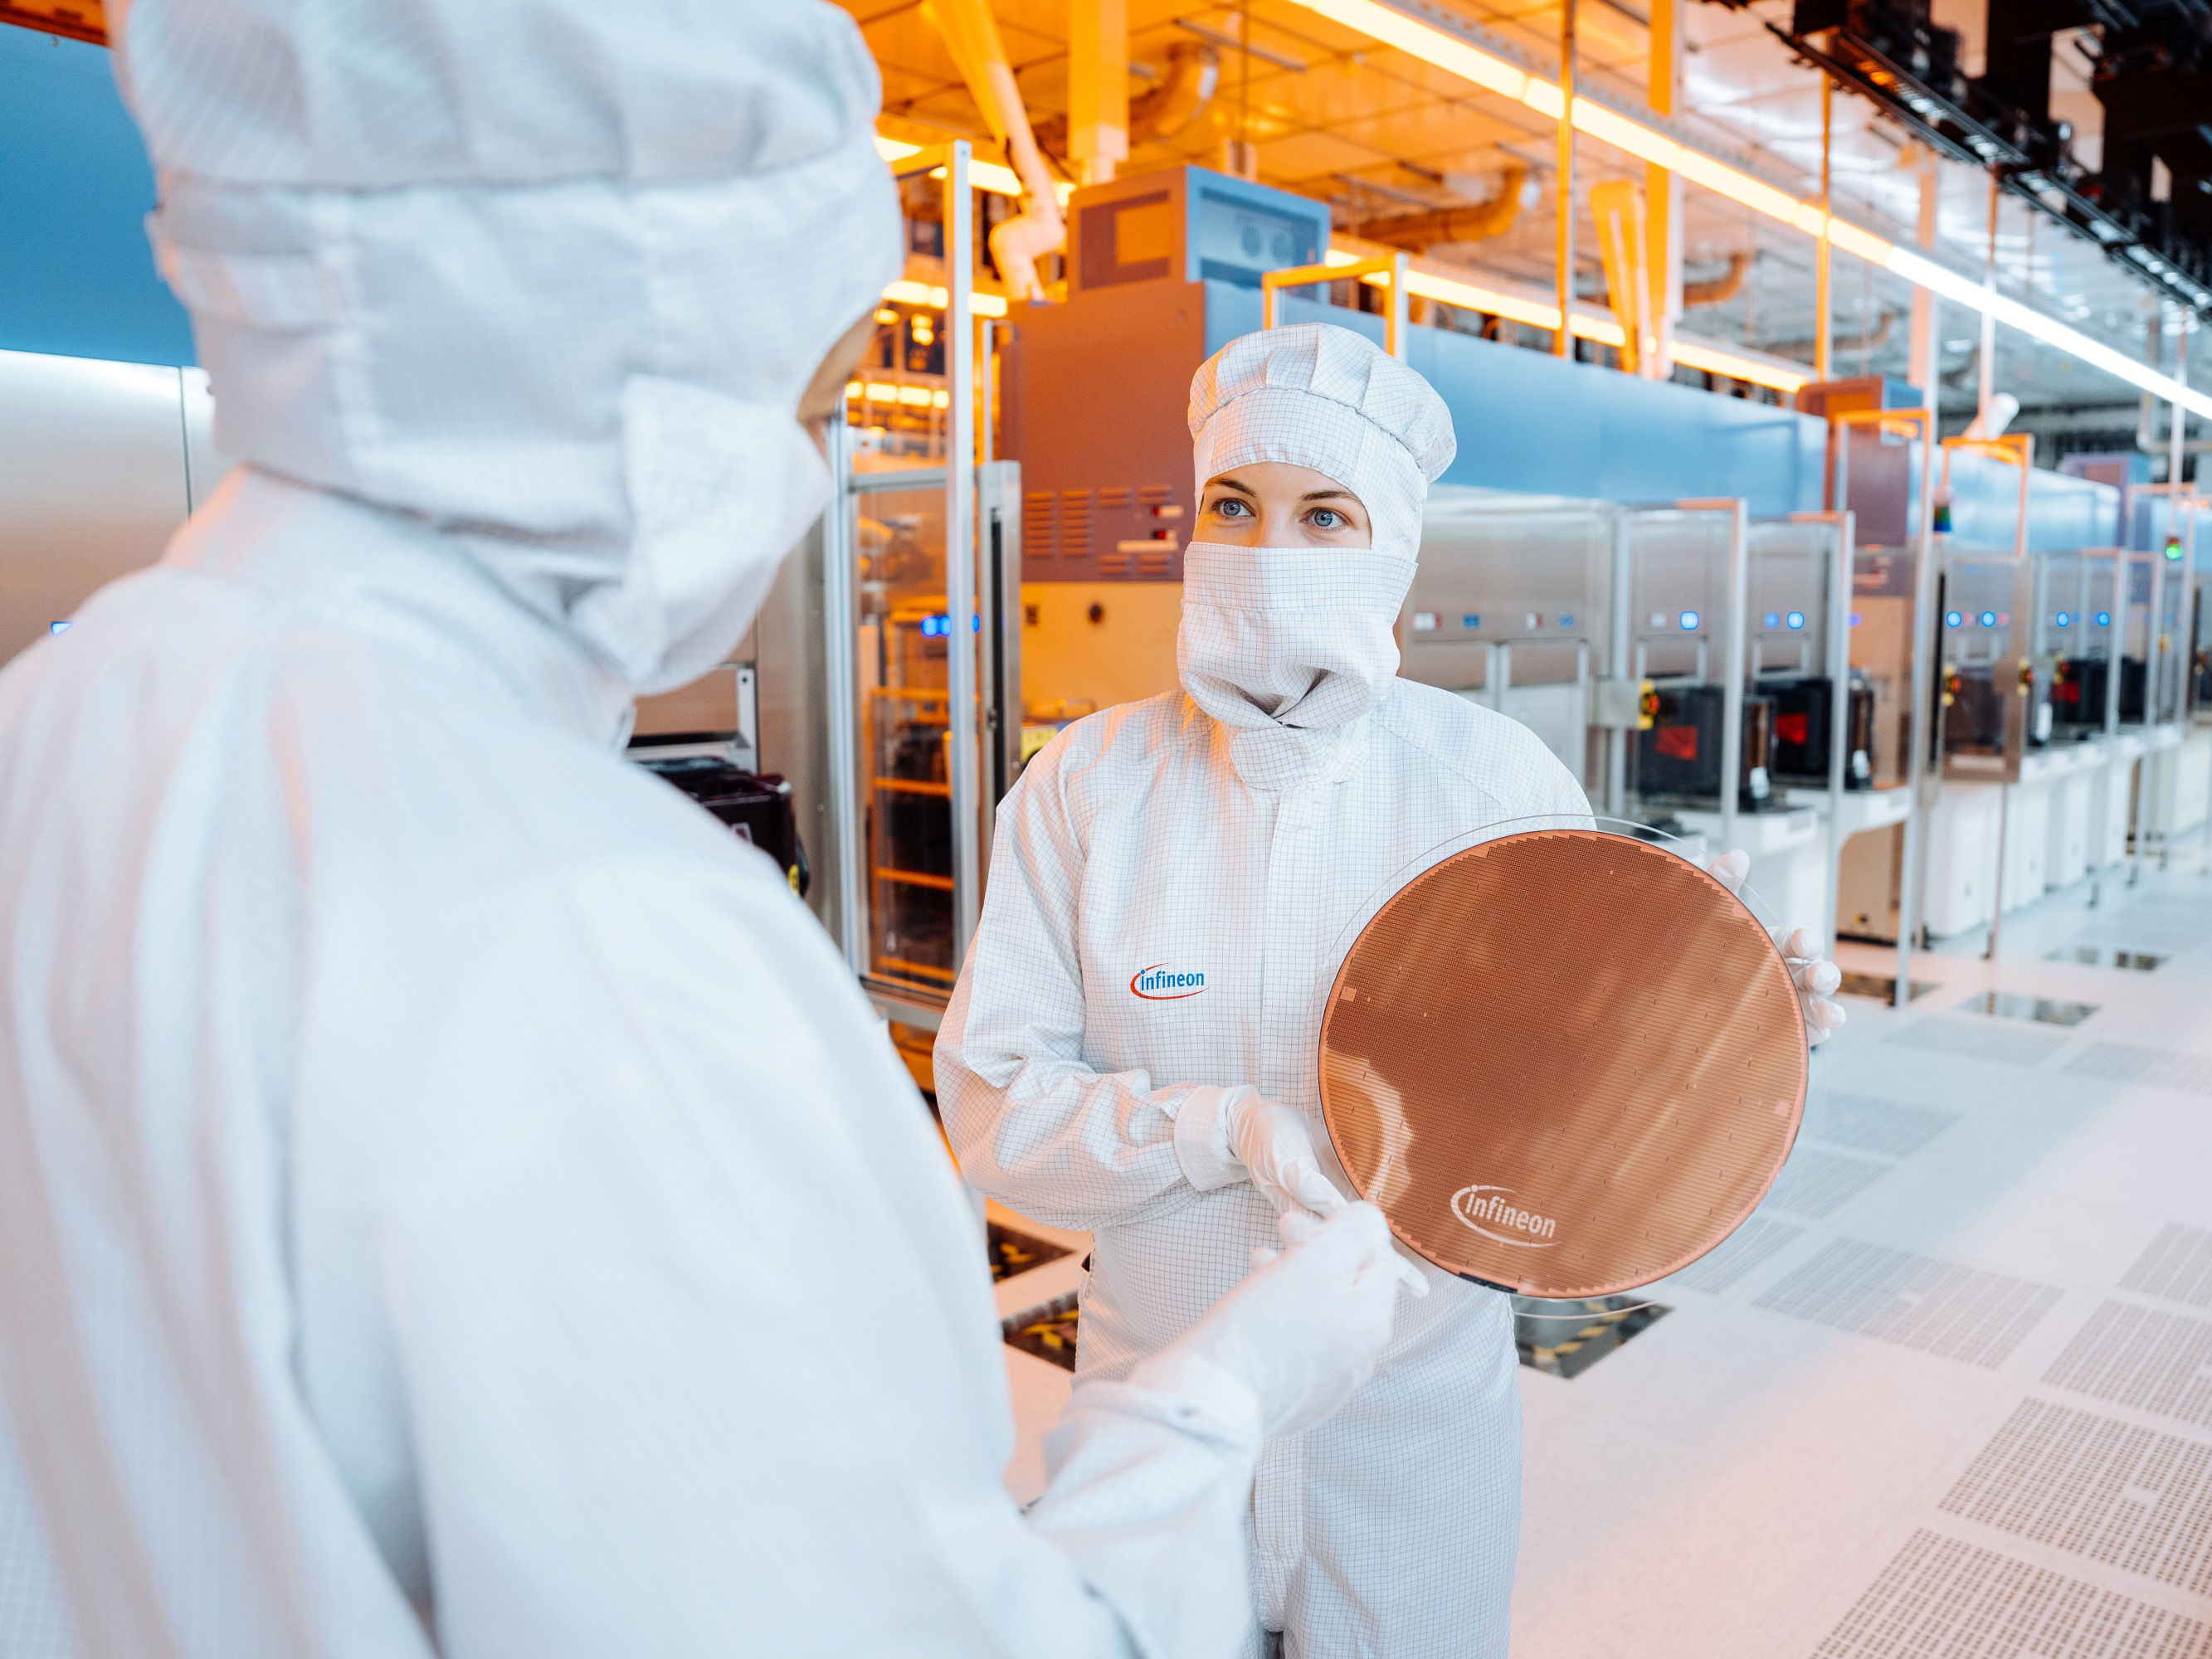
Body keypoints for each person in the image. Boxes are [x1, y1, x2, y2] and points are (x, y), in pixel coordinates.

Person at [0, 3, 1420, 1655]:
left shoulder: (60, 718)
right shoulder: (604, 935)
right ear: (618, 387)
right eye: (811, 407)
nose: (809, 479)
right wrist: (1217, 1401)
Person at [937, 324, 1844, 1658]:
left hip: (1412, 1446)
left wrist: (1719, 1018)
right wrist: (1212, 1128)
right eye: (1233, 506)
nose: (1269, 548)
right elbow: (995, 1115)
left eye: (1326, 514)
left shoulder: (1495, 787)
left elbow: (1579, 1113)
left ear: (1393, 550)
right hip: (1169, 1425)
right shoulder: (1087, 789)